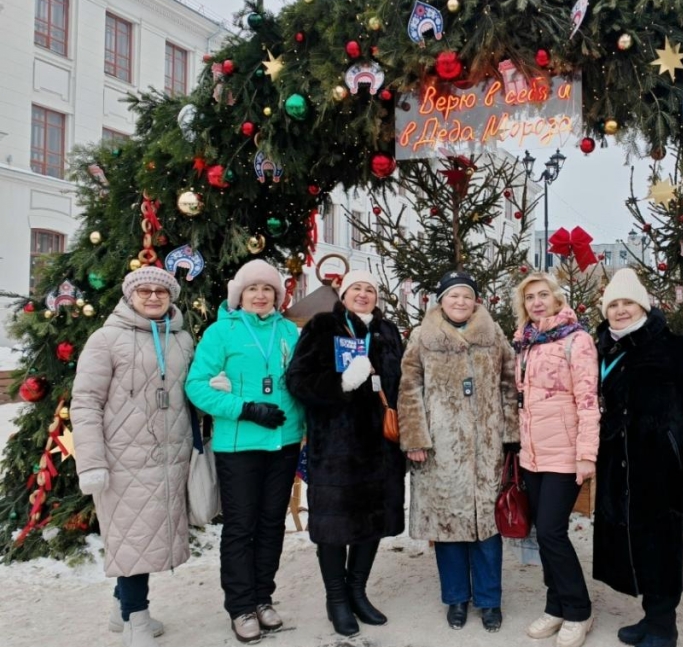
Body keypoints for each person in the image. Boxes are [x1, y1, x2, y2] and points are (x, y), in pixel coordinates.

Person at [592, 268, 683, 647]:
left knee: (661, 542)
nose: (620, 310)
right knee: (635, 540)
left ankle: (664, 626)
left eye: (627, 303)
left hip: (660, 461)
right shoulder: (604, 348)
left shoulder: (671, 345)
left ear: (643, 306)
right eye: (613, 304)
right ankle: (651, 617)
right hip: (617, 460)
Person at [72, 266, 194, 647]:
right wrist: (91, 463)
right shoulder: (106, 339)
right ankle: (135, 621)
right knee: (134, 537)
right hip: (122, 459)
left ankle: (120, 609)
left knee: (144, 537)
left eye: (161, 291)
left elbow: (190, 389)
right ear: (130, 297)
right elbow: (86, 403)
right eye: (145, 291)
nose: (153, 297)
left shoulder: (182, 340)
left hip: (169, 458)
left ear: (171, 297)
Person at [185, 259, 305, 644]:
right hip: (238, 446)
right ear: (240, 294)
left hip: (284, 443)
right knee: (241, 527)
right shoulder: (221, 332)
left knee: (272, 524)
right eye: (253, 288)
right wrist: (245, 409)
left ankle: (263, 597)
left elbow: (302, 384)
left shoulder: (289, 332)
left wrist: (309, 426)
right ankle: (240, 606)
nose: (260, 295)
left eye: (267, 289)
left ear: (277, 296)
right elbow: (196, 386)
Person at [284, 270, 405, 637]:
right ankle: (336, 599)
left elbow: (402, 384)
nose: (363, 294)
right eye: (356, 288)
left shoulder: (387, 332)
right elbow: (298, 380)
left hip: (380, 448)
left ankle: (358, 592)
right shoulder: (324, 326)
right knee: (334, 528)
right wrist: (340, 384)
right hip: (337, 449)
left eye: (370, 289)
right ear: (344, 293)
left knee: (372, 524)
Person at [397, 270, 518, 633]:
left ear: (475, 300)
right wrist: (415, 438)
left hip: (486, 448)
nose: (460, 301)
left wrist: (510, 434)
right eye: (453, 295)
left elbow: (509, 383)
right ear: (441, 300)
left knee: (487, 527)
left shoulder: (493, 334)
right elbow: (409, 388)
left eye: (466, 295)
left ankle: (489, 600)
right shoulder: (422, 336)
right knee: (447, 526)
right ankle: (456, 598)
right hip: (441, 450)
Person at [511, 271, 599, 647]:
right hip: (532, 454)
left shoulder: (576, 340)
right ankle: (555, 605)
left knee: (551, 531)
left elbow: (588, 401)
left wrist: (586, 455)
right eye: (530, 297)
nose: (537, 302)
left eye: (543, 295)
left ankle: (579, 610)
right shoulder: (525, 342)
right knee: (543, 534)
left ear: (557, 298)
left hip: (565, 453)